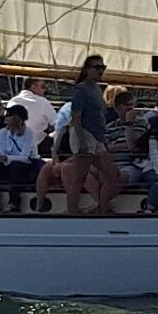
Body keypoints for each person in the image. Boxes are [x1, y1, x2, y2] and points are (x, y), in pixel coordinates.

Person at [64, 55, 120, 215]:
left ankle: (102, 208)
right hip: (85, 135)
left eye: (103, 67)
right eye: (97, 67)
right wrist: (81, 141)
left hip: (97, 137)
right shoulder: (81, 89)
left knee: (112, 173)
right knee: (79, 177)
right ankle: (73, 212)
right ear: (87, 69)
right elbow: (76, 117)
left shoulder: (96, 88)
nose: (100, 71)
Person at [0, 99, 39, 213]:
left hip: (26, 166)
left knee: (16, 166)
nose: (6, 118)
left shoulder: (28, 133)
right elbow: (0, 150)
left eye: (9, 116)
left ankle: (14, 202)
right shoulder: (3, 132)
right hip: (7, 164)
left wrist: (7, 158)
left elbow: (25, 156)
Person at [7, 76, 56, 151]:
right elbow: (57, 123)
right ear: (33, 87)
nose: (45, 90)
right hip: (37, 145)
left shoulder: (12, 101)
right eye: (43, 87)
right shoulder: (43, 102)